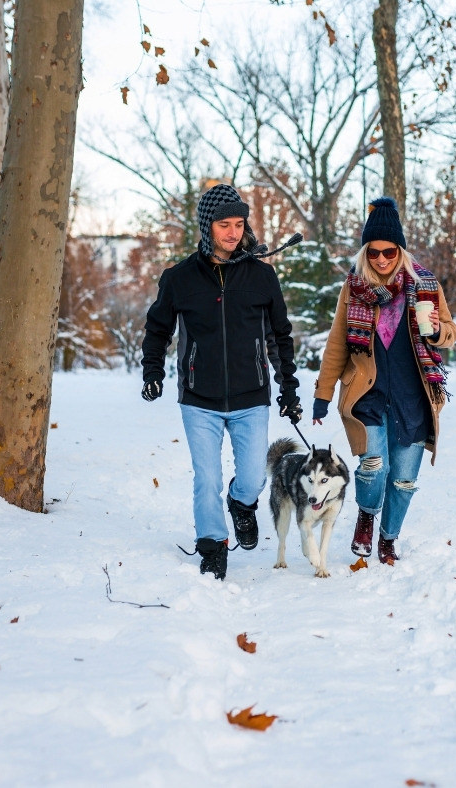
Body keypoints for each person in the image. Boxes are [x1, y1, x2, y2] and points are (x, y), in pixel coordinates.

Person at [141, 183, 303, 580]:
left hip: (251, 396)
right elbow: (157, 328)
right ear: (206, 227)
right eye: (224, 225)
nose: (233, 232)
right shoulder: (180, 278)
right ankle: (212, 546)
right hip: (199, 399)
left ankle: (241, 504)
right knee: (207, 477)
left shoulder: (261, 277)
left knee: (250, 479)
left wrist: (288, 390)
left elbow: (279, 336)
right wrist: (153, 371)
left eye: (238, 224)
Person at [312, 197, 456, 564]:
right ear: (365, 252)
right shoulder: (354, 287)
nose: (381, 260)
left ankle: (388, 538)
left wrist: (439, 331)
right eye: (374, 252)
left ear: (400, 250)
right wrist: (322, 394)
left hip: (413, 397)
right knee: (373, 465)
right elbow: (336, 342)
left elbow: (451, 331)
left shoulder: (424, 283)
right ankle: (366, 515)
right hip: (368, 395)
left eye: (389, 252)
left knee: (404, 480)